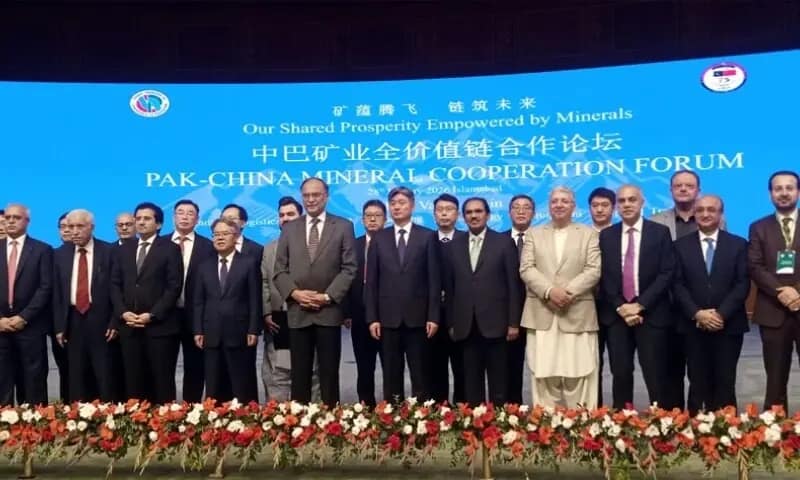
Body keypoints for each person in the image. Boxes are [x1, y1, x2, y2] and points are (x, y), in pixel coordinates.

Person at [273, 177, 357, 406]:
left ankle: (331, 419)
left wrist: (327, 297)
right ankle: (299, 420)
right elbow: (279, 270)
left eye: (316, 195)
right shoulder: (290, 228)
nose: (311, 199)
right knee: (299, 375)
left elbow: (349, 268)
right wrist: (295, 294)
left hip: (328, 311)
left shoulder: (343, 226)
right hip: (298, 311)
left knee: (329, 374)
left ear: (326, 196)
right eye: (306, 195)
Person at [520, 187, 601, 408]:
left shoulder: (588, 233)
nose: (559, 205)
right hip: (542, 312)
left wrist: (566, 292)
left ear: (573, 206)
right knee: (544, 374)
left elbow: (593, 270)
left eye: (564, 201)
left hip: (577, 311)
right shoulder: (534, 234)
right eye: (554, 201)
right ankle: (546, 424)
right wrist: (549, 291)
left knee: (580, 373)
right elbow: (526, 268)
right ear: (548, 206)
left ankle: (582, 424)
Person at [598, 185, 674, 409]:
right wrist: (621, 307)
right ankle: (623, 421)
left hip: (651, 314)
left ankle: (662, 422)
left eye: (632, 200)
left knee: (655, 373)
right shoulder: (606, 236)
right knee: (620, 372)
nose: (627, 204)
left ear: (642, 203)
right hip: (617, 316)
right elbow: (604, 275)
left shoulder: (659, 232)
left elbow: (667, 272)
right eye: (622, 201)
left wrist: (640, 305)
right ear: (616, 206)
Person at [441, 197, 522, 405]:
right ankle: (475, 422)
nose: (474, 216)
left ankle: (500, 421)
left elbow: (514, 286)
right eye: (469, 212)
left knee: (499, 384)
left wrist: (514, 322)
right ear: (463, 217)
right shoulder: (454, 246)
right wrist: (451, 323)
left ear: (488, 215)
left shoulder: (504, 243)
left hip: (497, 325)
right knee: (471, 384)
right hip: (466, 326)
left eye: (478, 211)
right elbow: (450, 290)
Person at [673, 195, 749, 414]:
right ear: (694, 213)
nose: (705, 214)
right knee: (697, 380)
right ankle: (696, 428)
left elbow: (742, 284)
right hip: (692, 325)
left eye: (711, 210)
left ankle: (726, 428)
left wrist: (720, 315)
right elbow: (677, 284)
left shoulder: (738, 244)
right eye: (700, 210)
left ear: (720, 214)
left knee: (726, 380)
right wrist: (697, 314)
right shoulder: (679, 246)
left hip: (729, 325)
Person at [366, 186, 440, 402]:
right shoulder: (379, 238)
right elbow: (371, 282)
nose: (397, 207)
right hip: (388, 319)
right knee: (391, 375)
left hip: (419, 319)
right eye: (393, 203)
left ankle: (422, 417)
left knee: (421, 374)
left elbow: (434, 281)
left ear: (412, 206)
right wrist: (372, 318)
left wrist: (433, 316)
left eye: (402, 203)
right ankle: (393, 416)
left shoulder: (427, 236)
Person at [110, 202, 182, 403]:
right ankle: (135, 420)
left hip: (159, 327)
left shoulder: (170, 248)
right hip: (129, 326)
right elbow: (114, 284)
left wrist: (152, 315)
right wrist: (122, 312)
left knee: (161, 381)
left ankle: (164, 420)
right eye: (138, 218)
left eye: (147, 218)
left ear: (158, 224)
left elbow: (173, 287)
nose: (141, 222)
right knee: (132, 381)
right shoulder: (124, 249)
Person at [650, 170, 709, 410]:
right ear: (671, 190)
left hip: (699, 309)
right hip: (665, 307)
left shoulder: (711, 218)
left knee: (699, 370)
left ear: (698, 190)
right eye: (678, 186)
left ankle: (696, 419)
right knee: (669, 371)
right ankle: (673, 419)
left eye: (689, 185)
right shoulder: (656, 221)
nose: (683, 189)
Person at [52, 209, 118, 401]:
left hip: (102, 320)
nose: (74, 231)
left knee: (105, 373)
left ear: (92, 227)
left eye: (80, 226)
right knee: (76, 375)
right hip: (72, 320)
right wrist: (59, 326)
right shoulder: (59, 254)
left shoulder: (109, 251)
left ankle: (108, 413)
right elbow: (56, 294)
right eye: (70, 226)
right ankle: (79, 414)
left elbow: (117, 289)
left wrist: (115, 321)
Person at [748, 170, 800, 411]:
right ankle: (777, 428)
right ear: (770, 194)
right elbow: (754, 266)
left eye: (789, 188)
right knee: (775, 379)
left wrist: (796, 292)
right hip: (772, 311)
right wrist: (781, 291)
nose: (784, 193)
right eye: (778, 189)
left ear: (797, 192)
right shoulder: (758, 227)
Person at [193, 218, 261, 403]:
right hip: (211, 332)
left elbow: (255, 298)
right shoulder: (204, 266)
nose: (220, 238)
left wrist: (253, 329)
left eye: (224, 234)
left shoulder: (248, 263)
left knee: (240, 383)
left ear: (236, 236)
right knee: (213, 383)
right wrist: (198, 330)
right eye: (216, 234)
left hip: (239, 331)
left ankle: (243, 415)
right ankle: (214, 416)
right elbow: (198, 301)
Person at [261, 196, 320, 401]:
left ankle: (312, 415)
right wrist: (266, 312)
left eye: (290, 214)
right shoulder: (269, 249)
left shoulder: (315, 246)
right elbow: (264, 282)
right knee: (278, 374)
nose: (285, 218)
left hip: (308, 316)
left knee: (312, 373)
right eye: (281, 215)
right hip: (278, 320)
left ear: (301, 217)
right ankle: (277, 416)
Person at [0, 204, 53, 405]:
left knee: (33, 384)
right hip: (1, 328)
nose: (11, 221)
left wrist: (24, 317)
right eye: (8, 218)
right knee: (2, 383)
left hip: (30, 327)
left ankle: (35, 423)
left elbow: (45, 287)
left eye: (16, 217)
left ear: (27, 221)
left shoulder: (42, 250)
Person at [165, 199, 215, 403]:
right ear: (173, 217)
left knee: (195, 367)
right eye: (180, 212)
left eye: (190, 213)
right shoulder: (161, 244)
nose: (185, 216)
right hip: (165, 315)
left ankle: (191, 408)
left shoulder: (208, 246)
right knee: (163, 365)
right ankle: (165, 410)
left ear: (197, 219)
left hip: (196, 315)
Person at [344, 199, 386, 407]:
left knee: (391, 365)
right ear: (362, 220)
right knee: (364, 365)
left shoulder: (392, 243)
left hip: (388, 314)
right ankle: (366, 406)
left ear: (385, 219)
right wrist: (346, 312)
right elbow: (345, 279)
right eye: (368, 215)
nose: (372, 219)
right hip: (359, 314)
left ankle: (392, 407)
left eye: (377, 215)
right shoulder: (353, 245)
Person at [430, 193, 466, 404]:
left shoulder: (467, 239)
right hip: (431, 316)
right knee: (434, 367)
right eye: (440, 210)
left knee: (463, 367)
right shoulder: (425, 239)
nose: (444, 214)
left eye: (449, 209)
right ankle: (439, 410)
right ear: (434, 214)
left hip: (460, 315)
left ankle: (463, 411)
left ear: (457, 214)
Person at [503, 194, 534, 405]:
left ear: (534, 213)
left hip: (540, 311)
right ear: (509, 212)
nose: (521, 211)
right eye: (516, 207)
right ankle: (513, 411)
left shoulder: (543, 239)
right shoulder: (497, 240)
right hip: (507, 315)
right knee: (510, 367)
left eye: (526, 207)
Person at [588, 187, 616, 406]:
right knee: (590, 365)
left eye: (604, 205)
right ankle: (593, 411)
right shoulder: (581, 234)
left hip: (616, 309)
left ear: (613, 208)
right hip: (586, 307)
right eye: (595, 205)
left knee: (620, 365)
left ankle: (621, 413)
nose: (599, 210)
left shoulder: (621, 235)